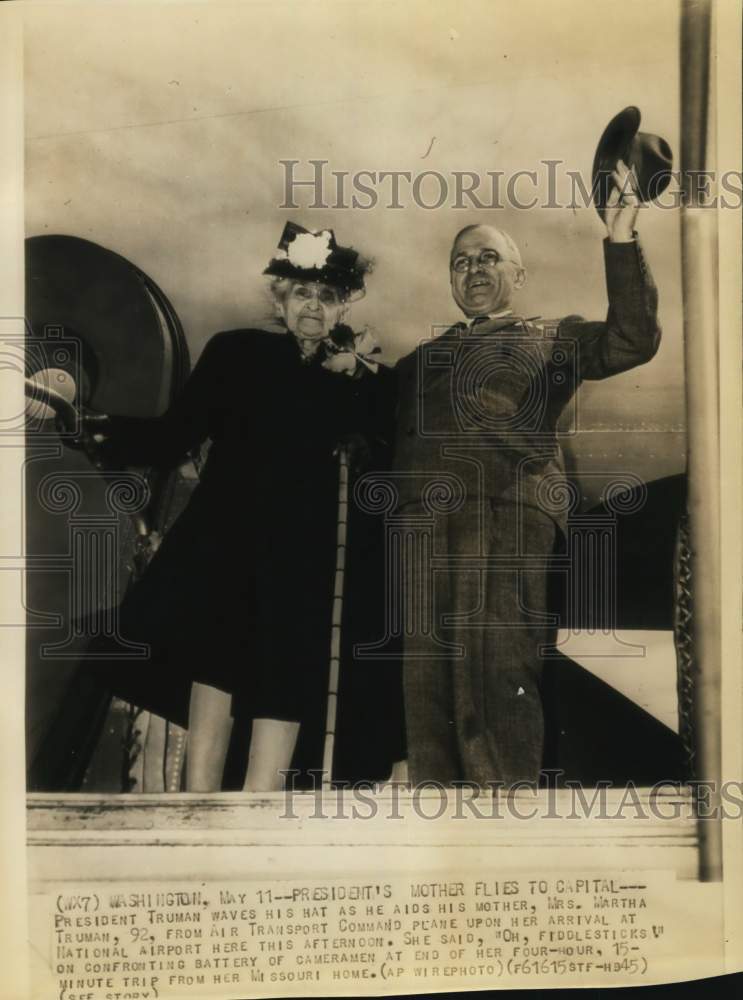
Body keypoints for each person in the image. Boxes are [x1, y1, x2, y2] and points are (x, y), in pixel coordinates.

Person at [89, 222, 402, 792]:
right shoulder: (236, 352)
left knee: (285, 683)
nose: (314, 306)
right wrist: (96, 429)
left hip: (303, 569)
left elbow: (386, 465)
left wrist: (366, 427)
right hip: (227, 554)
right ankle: (198, 815)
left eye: (328, 296)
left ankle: (258, 823)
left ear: (343, 307)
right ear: (280, 297)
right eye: (303, 292)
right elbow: (172, 438)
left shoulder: (364, 383)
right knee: (217, 674)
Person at [392, 161, 661, 787]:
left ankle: (506, 815)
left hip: (505, 511)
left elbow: (633, 338)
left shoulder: (549, 336)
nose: (474, 269)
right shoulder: (414, 361)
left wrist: (621, 236)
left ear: (520, 273)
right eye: (461, 261)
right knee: (425, 674)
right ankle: (439, 820)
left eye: (488, 256)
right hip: (419, 523)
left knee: (497, 665)